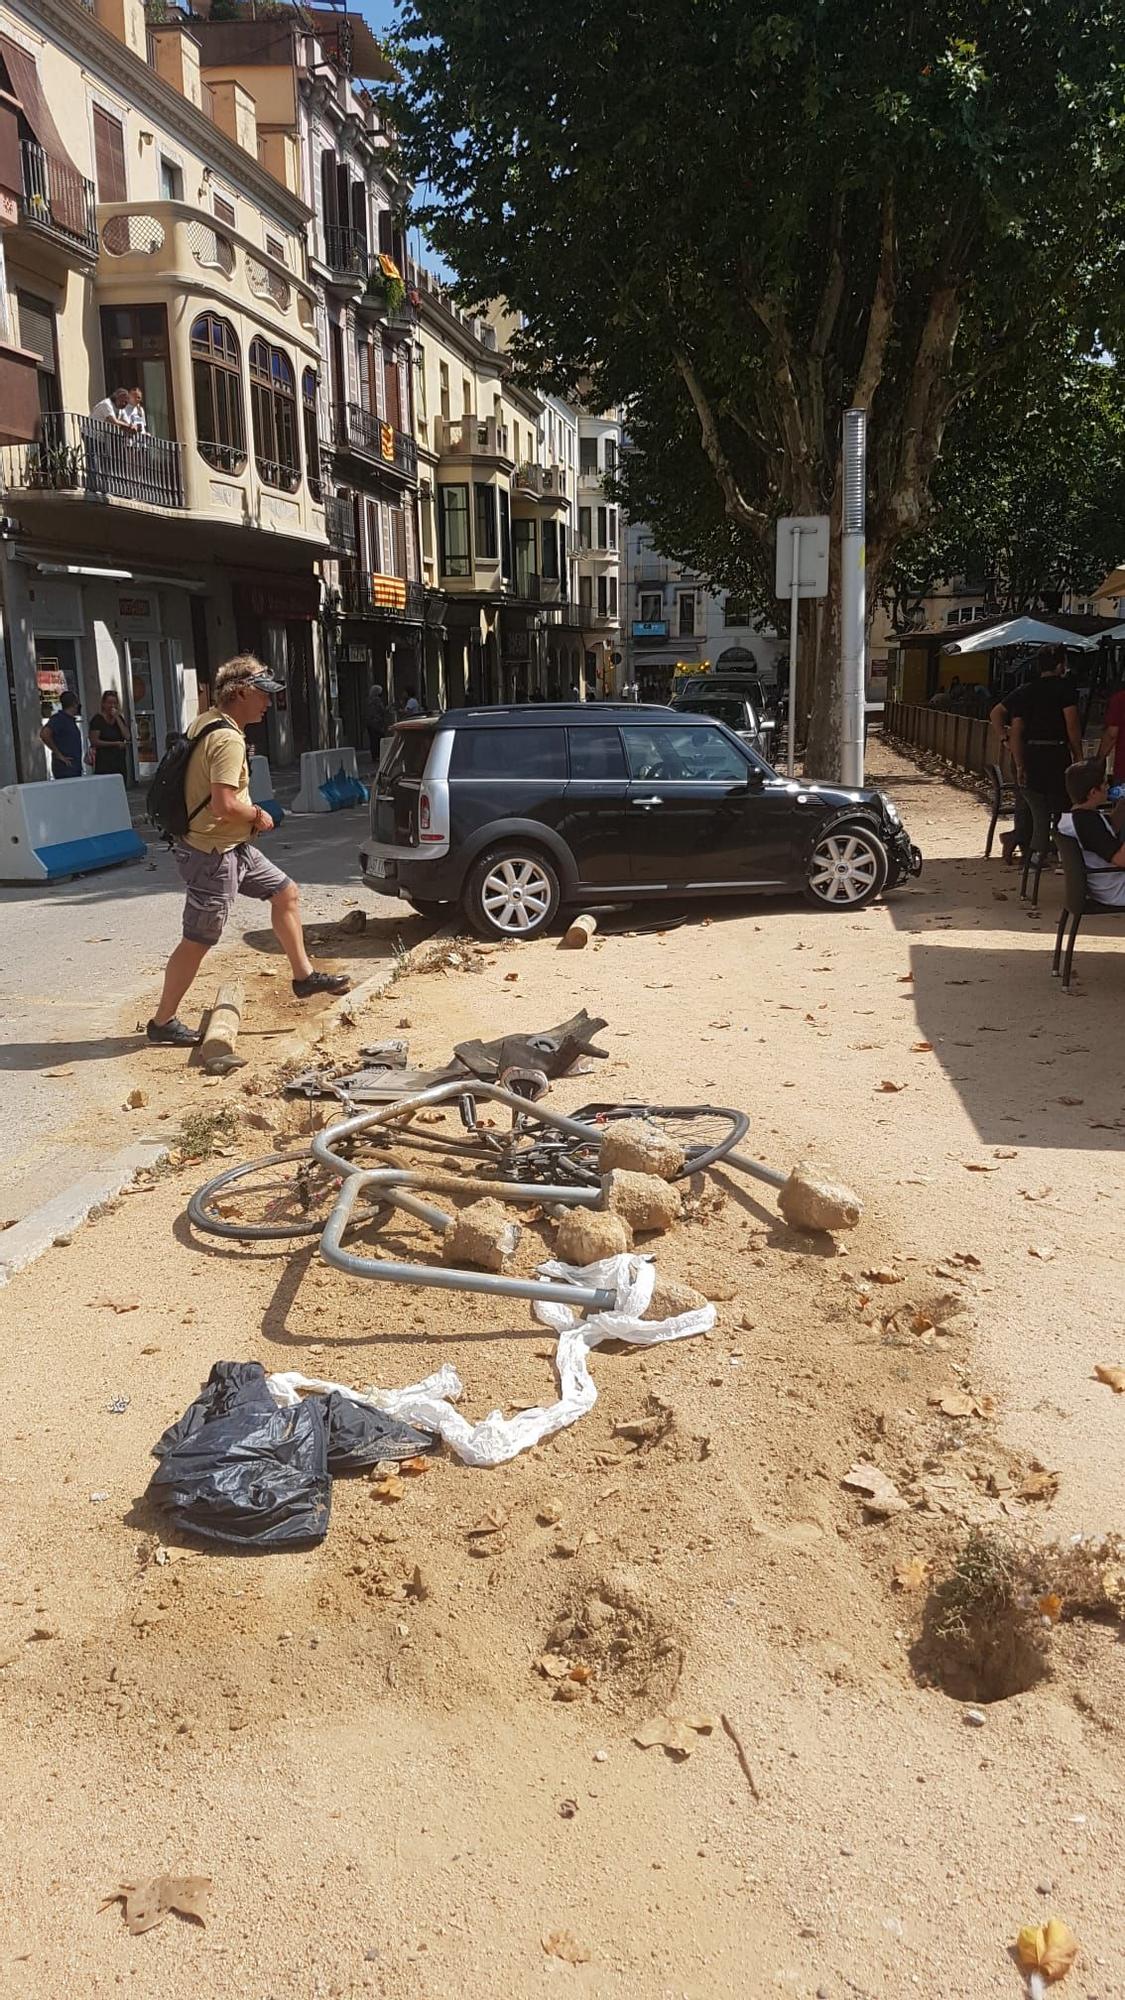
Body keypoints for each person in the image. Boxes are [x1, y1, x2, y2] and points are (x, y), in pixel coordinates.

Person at [147, 654, 350, 1047]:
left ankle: (303, 976)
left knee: (285, 892)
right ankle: (163, 1021)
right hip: (213, 855)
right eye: (262, 695)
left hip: (231, 847)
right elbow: (224, 804)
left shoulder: (208, 720)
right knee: (198, 939)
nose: (268, 703)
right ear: (240, 693)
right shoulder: (227, 739)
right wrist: (258, 814)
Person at [1006, 646, 1082, 866]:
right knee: (1061, 803)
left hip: (1031, 753)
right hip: (1056, 752)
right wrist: (1077, 754)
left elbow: (1017, 731)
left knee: (1034, 807)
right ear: (1060, 665)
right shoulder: (1065, 689)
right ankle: (1062, 852)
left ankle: (1033, 853)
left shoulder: (1025, 691)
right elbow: (1072, 724)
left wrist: (1019, 764)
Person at [1058, 758, 1125, 908]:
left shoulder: (1074, 818)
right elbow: (1121, 859)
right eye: (1104, 784)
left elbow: (1108, 830)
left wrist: (1122, 806)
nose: (1108, 787)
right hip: (1116, 889)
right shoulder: (1088, 824)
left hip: (1104, 885)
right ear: (1093, 792)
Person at [87, 688, 129, 780]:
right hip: (104, 761)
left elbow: (127, 736)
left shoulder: (119, 719)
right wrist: (115, 743)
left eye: (115, 703)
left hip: (119, 761)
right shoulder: (98, 720)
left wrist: (117, 718)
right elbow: (94, 741)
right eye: (109, 703)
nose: (112, 706)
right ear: (103, 704)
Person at [40, 690, 83, 778]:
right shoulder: (59, 719)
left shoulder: (70, 720)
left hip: (74, 767)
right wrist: (59, 755)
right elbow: (44, 734)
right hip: (65, 768)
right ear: (75, 704)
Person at [1097, 682, 1125, 789]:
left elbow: (1111, 735)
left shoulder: (1120, 699)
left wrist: (1099, 759)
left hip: (1123, 770)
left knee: (1121, 804)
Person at [364, 681, 388, 767]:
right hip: (377, 723)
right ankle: (378, 755)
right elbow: (382, 710)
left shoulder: (368, 700)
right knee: (379, 739)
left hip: (370, 722)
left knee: (372, 739)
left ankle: (374, 755)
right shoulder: (377, 700)